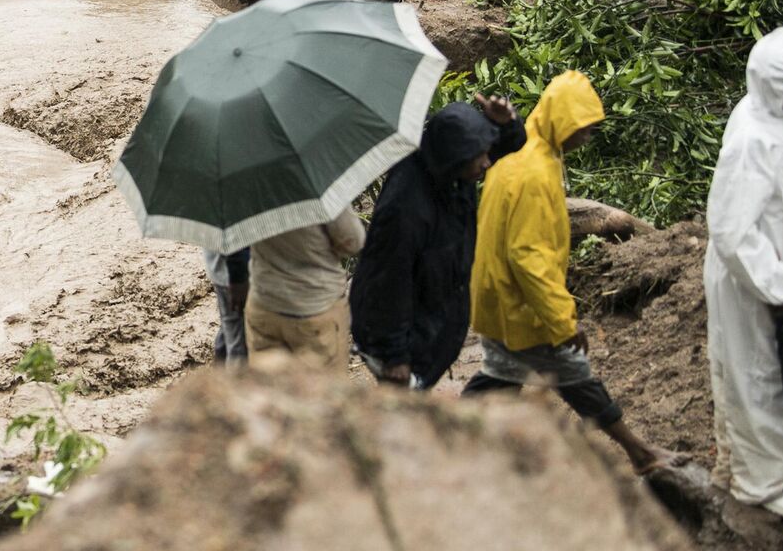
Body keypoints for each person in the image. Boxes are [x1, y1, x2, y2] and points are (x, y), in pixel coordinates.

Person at [464, 71, 679, 475]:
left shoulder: (526, 154)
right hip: (520, 305)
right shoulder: (534, 173)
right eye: (585, 125)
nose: (590, 134)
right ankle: (642, 455)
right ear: (562, 120)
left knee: (500, 378)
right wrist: (562, 320)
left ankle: (448, 439)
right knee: (574, 374)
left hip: (498, 297)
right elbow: (529, 256)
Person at [704, 28, 783, 518]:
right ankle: (764, 483)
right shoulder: (754, 139)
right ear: (774, 83)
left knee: (743, 370)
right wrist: (775, 283)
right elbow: (730, 229)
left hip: (766, 274)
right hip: (754, 280)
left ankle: (733, 463)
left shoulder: (778, 116)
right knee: (761, 377)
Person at [352, 94, 524, 389]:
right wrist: (395, 357)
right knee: (400, 417)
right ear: (455, 156)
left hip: (432, 319)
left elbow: (505, 147)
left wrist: (506, 124)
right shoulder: (405, 207)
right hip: (399, 338)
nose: (486, 163)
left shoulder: (451, 167)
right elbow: (388, 283)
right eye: (478, 157)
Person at [242, 208, 364, 369]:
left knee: (269, 387)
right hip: (315, 306)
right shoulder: (317, 192)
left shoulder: (249, 191)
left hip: (265, 304)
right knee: (321, 388)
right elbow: (354, 242)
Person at [203, 248, 251, 365]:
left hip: (221, 271)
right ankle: (235, 379)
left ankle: (219, 374)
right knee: (238, 342)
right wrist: (238, 278)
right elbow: (235, 244)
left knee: (229, 328)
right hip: (234, 278)